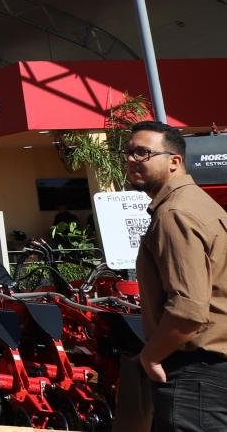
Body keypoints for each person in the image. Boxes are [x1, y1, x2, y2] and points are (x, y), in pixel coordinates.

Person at [116, 120, 227, 432]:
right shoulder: (200, 205)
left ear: (175, 161)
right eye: (128, 153)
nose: (131, 160)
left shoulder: (174, 214)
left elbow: (188, 310)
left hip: (195, 375)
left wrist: (151, 357)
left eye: (142, 153)